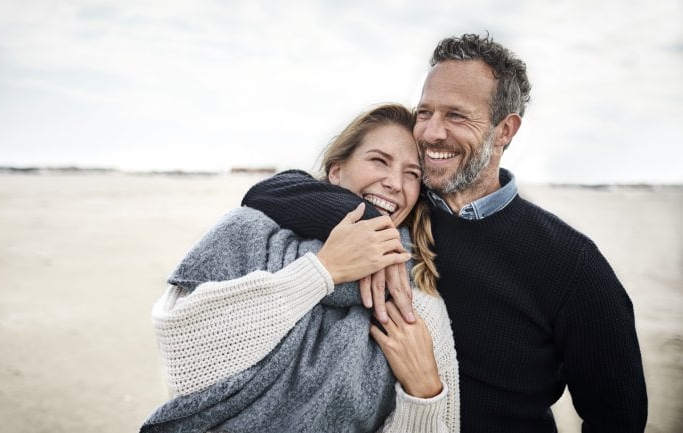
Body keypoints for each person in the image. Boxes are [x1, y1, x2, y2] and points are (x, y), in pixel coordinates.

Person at [242, 33, 648, 433]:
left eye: (456, 115)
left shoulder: (571, 263)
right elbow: (270, 191)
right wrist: (369, 221)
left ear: (504, 130)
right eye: (425, 112)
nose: (432, 133)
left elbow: (619, 418)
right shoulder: (402, 208)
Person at [141, 104, 459, 432]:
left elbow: (445, 424)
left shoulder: (415, 295)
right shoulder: (248, 231)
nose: (394, 182)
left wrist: (424, 394)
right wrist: (321, 271)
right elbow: (183, 362)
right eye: (379, 160)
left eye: (413, 174)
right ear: (336, 171)